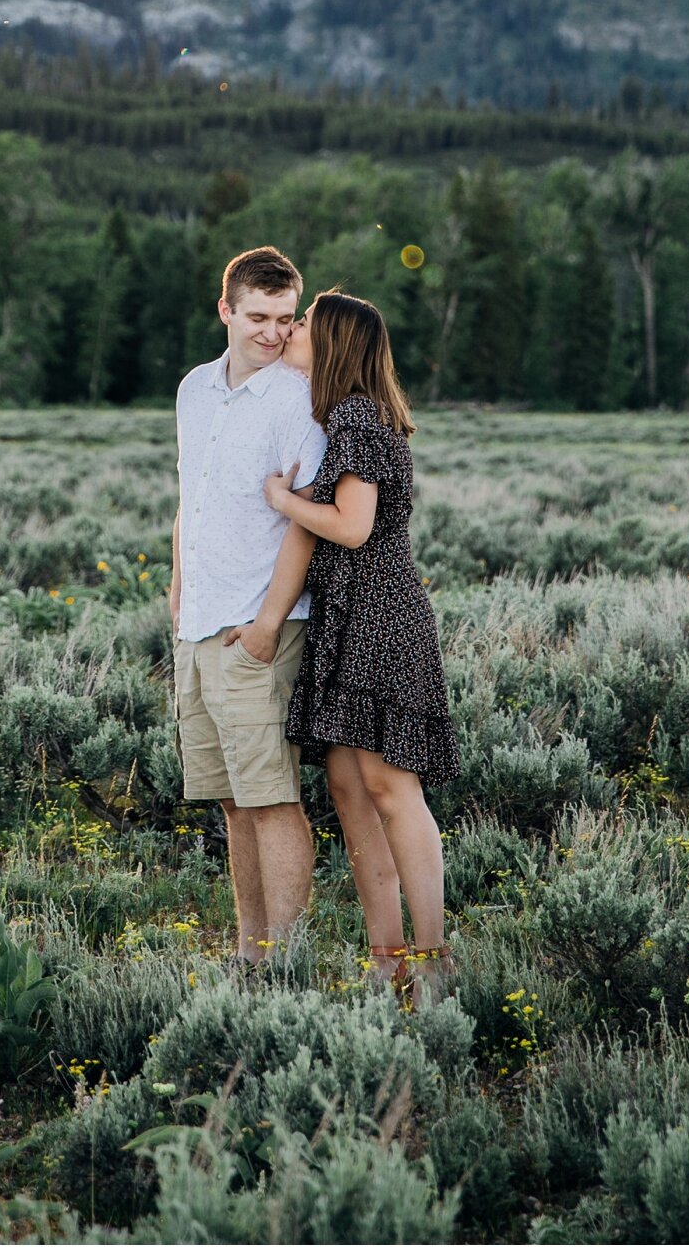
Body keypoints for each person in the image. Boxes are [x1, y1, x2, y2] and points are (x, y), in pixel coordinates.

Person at [258, 288, 461, 1004]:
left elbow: (351, 526)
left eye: (305, 322)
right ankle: (387, 958)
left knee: (390, 788)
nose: (293, 330)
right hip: (349, 616)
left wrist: (283, 501)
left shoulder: (355, 417)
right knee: (349, 788)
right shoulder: (346, 415)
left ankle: (433, 962)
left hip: (378, 615)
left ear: (335, 340)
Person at [169, 245, 328, 969]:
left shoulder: (299, 399)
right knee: (233, 801)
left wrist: (268, 624)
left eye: (285, 319)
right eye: (257, 316)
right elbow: (188, 496)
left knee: (270, 797)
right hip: (199, 623)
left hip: (258, 628)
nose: (271, 332)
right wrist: (177, 589)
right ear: (225, 310)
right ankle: (249, 953)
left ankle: (286, 962)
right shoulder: (193, 389)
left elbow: (302, 521)